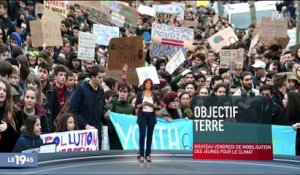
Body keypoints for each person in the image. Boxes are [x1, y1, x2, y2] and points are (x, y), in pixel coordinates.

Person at [68, 65, 106, 148]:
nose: (102, 80)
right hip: (82, 133)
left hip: (96, 133)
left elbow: (101, 110)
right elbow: (72, 111)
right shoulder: (81, 89)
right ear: (92, 77)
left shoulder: (101, 91)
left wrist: (105, 114)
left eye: (103, 77)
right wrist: (85, 125)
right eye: (99, 77)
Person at [135, 79, 160, 163]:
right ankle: (141, 154)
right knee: (142, 135)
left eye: (150, 83)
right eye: (146, 83)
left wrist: (155, 106)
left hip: (151, 116)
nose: (148, 84)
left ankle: (148, 154)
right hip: (142, 116)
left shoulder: (154, 95)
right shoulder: (139, 94)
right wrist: (142, 104)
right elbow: (136, 106)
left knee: (150, 135)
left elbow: (158, 106)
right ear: (144, 84)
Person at [105, 83, 135, 150]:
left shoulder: (131, 108)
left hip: (126, 138)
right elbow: (106, 122)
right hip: (114, 137)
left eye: (124, 92)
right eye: (120, 91)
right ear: (118, 92)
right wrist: (106, 118)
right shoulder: (111, 106)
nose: (122, 94)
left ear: (128, 93)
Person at [0, 77, 22, 152]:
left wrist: (7, 129)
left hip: (8, 157)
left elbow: (19, 138)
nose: (1, 92)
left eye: (5, 90)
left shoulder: (16, 112)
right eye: (0, 89)